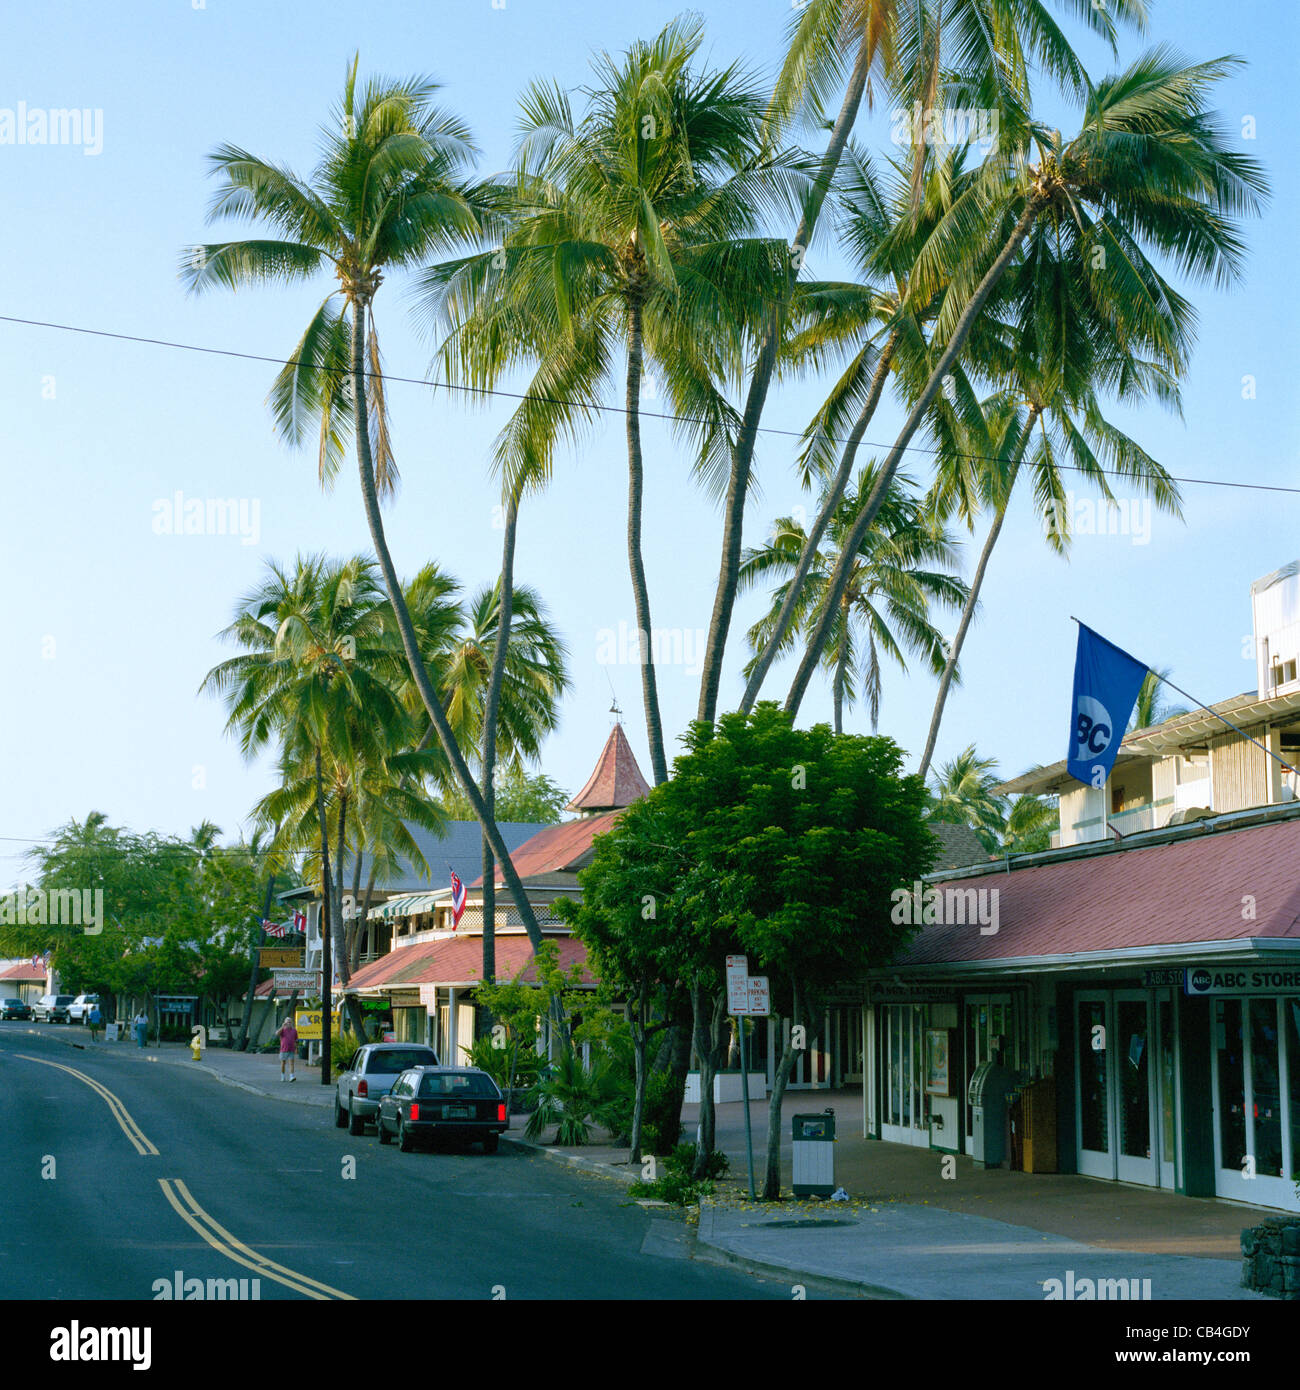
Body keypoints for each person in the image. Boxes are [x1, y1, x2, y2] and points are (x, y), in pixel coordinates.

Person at [277, 1014, 298, 1081]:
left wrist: (296, 1048)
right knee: (283, 1063)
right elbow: (277, 1033)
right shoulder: (282, 1030)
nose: (289, 1023)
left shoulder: (294, 1030)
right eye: (287, 1022)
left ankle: (291, 1076)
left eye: (290, 1022)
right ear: (285, 1023)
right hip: (284, 1049)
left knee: (291, 1063)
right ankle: (282, 1076)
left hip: (291, 1049)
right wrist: (282, 1027)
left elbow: (295, 1040)